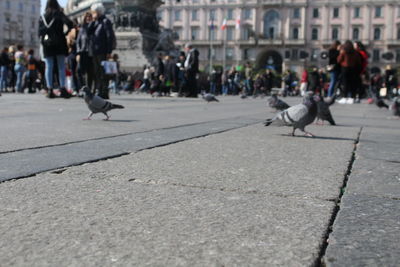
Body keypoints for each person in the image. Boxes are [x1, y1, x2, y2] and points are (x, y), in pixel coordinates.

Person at [39, 0, 74, 98]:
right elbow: (70, 23)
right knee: (61, 67)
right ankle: (62, 88)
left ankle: (50, 89)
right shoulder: (59, 14)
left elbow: (39, 32)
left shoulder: (43, 16)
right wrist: (64, 34)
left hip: (47, 44)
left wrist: (46, 36)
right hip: (59, 42)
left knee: (49, 66)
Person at [88, 3, 116, 99]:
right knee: (97, 71)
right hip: (94, 51)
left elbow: (109, 36)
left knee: (103, 71)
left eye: (94, 12)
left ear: (98, 12)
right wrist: (92, 21)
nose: (92, 14)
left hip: (102, 50)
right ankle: (99, 89)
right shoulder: (95, 22)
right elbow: (88, 31)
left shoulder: (105, 21)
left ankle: (104, 91)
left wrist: (109, 51)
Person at [337, 40, 362, 104]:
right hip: (353, 68)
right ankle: (352, 98)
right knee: (352, 83)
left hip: (345, 68)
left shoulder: (343, 52)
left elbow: (339, 60)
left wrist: (340, 53)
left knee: (345, 83)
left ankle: (345, 97)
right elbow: (358, 61)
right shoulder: (355, 52)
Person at [76, 12, 94, 93]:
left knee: (90, 71)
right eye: (87, 17)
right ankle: (82, 87)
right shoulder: (82, 29)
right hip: (83, 52)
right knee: (79, 70)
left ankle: (89, 89)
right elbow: (78, 41)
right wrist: (78, 52)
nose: (88, 18)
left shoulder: (94, 27)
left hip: (91, 52)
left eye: (90, 17)